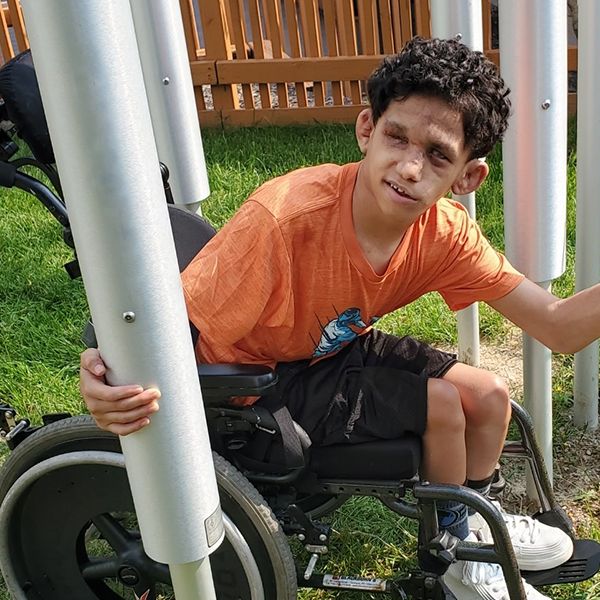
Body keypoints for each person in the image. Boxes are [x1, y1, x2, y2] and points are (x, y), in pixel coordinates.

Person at [80, 37, 595, 599]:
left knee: (491, 395)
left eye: (438, 155)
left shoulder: (443, 235)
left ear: (466, 178)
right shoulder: (283, 223)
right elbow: (168, 326)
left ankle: (469, 524)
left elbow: (558, 325)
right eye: (397, 137)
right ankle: (455, 560)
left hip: (327, 348)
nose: (409, 166)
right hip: (253, 379)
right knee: (446, 404)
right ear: (367, 129)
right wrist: (106, 372)